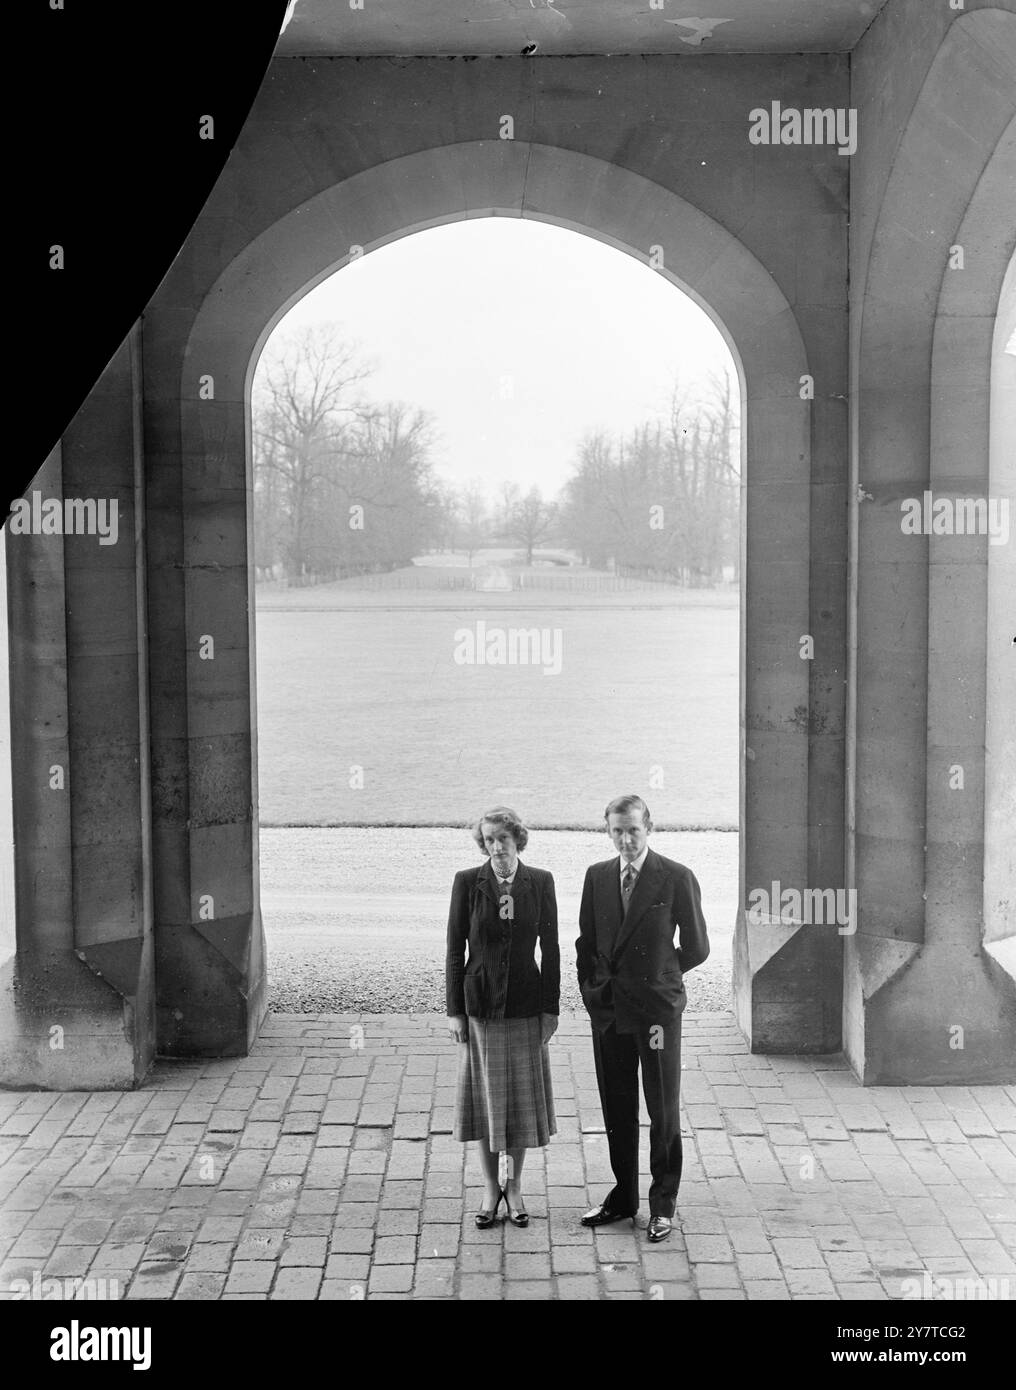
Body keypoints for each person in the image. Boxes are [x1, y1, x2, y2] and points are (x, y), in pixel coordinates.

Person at [576, 794, 709, 1242]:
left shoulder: (674, 877)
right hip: (610, 1012)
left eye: (633, 829)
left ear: (648, 827)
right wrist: (594, 994)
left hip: (655, 1015)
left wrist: (658, 976)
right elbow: (586, 944)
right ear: (607, 831)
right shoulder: (597, 877)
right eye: (617, 831)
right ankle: (623, 1197)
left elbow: (697, 946)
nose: (626, 839)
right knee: (617, 1108)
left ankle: (663, 1204)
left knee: (662, 1109)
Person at [446, 806, 560, 1228]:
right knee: (487, 1104)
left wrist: (551, 1009)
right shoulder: (466, 883)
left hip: (526, 1007)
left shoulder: (541, 882)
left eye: (503, 840)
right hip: (480, 1009)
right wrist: (455, 1011)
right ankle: (490, 1189)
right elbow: (455, 949)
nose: (497, 847)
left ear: (518, 840)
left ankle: (515, 1188)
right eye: (489, 840)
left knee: (518, 1105)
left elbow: (551, 949)